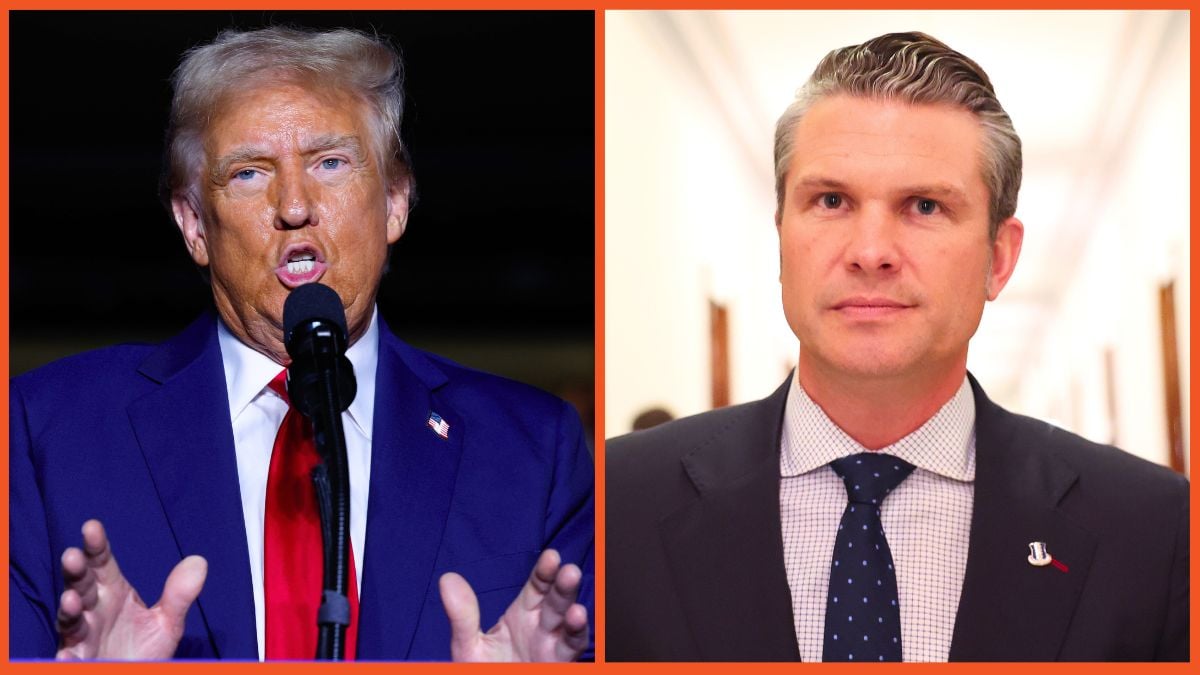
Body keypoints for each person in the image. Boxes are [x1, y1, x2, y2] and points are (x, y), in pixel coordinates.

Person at [10, 26, 593, 661]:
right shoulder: (45, 429)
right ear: (194, 225)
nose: (294, 205)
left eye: (331, 163)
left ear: (395, 203)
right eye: (250, 172)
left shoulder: (535, 448)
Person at [606, 31, 1187, 662]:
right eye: (831, 200)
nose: (871, 252)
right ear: (781, 239)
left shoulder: (1153, 529)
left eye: (925, 206)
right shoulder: (615, 504)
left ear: (998, 258)